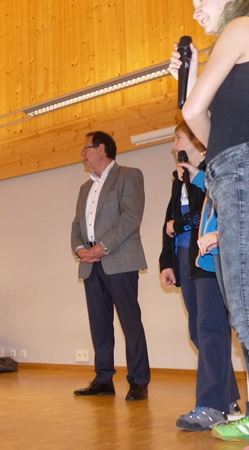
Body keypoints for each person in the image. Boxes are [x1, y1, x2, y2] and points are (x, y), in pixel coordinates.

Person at [169, 0, 249, 441]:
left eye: (203, 1)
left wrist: (191, 90)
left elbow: (196, 115)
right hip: (236, 169)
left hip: (237, 168)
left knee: (244, 302)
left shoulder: (240, 26)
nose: (197, 12)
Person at [158, 123, 240, 431]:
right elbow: (168, 222)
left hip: (208, 256)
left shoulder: (211, 170)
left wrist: (178, 223)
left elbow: (207, 211)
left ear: (195, 139)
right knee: (199, 330)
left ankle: (211, 405)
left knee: (210, 329)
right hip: (186, 258)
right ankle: (227, 399)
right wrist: (166, 261)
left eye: (177, 138)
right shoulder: (179, 178)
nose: (173, 145)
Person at [71, 131, 150, 401]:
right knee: (99, 325)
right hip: (91, 265)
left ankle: (138, 382)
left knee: (130, 323)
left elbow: (131, 217)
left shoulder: (129, 175)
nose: (82, 154)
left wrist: (102, 247)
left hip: (119, 260)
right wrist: (80, 249)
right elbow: (76, 225)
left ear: (101, 149)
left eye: (86, 149)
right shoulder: (85, 188)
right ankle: (103, 379)